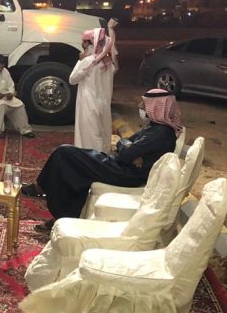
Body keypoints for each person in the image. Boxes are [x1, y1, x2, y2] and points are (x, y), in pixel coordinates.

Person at [21, 88, 182, 230]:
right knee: (73, 168)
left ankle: (42, 189)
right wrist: (127, 147)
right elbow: (124, 143)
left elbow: (125, 154)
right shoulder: (155, 128)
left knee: (64, 153)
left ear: (158, 107)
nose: (140, 107)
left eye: (145, 104)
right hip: (122, 166)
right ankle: (64, 216)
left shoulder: (161, 133)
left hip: (127, 174)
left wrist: (127, 149)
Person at [69, 19, 118, 152]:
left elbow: (72, 79)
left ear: (89, 43)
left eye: (84, 42)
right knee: (102, 133)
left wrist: (80, 61)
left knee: (90, 137)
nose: (82, 44)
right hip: (103, 104)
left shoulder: (89, 61)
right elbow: (114, 62)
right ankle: (102, 159)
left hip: (89, 103)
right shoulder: (108, 63)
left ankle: (90, 161)